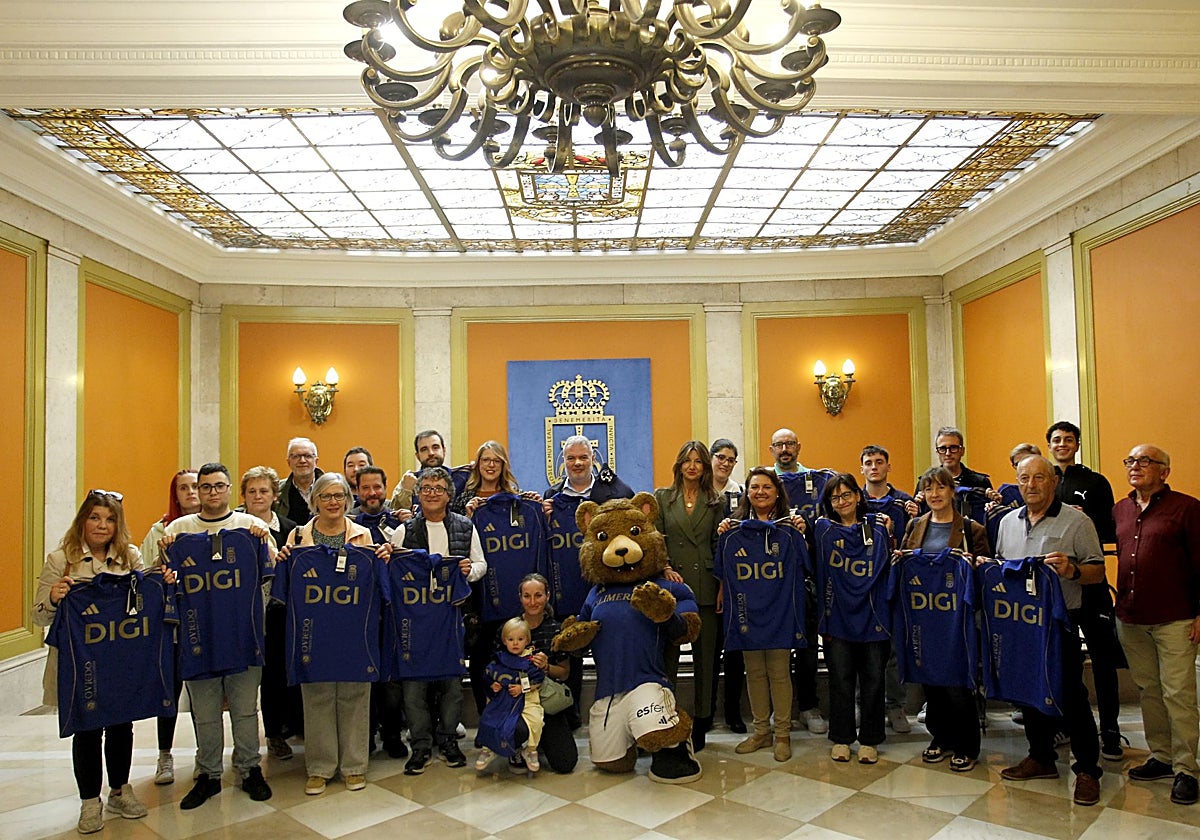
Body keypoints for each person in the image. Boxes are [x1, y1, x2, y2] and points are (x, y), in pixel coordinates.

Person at [33, 490, 150, 834]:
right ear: (82, 521)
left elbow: (143, 601)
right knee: (86, 730)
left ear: (118, 524)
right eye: (95, 518)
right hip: (79, 664)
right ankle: (89, 802)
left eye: (110, 519)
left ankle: (120, 790)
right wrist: (54, 599)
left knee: (120, 726)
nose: (102, 525)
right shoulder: (61, 560)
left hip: (119, 659)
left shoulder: (130, 557)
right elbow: (38, 616)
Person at [161, 462, 276, 810]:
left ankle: (250, 769)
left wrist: (262, 544)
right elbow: (160, 581)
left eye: (219, 485)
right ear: (197, 490)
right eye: (205, 486)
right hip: (198, 638)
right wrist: (165, 553)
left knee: (244, 710)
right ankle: (208, 775)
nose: (212, 492)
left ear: (229, 490)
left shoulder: (251, 527)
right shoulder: (177, 530)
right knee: (206, 712)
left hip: (244, 635)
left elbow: (269, 577)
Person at [993, 455, 1104, 806]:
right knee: (1028, 693)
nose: (1031, 485)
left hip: (1060, 623)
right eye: (1024, 478)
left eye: (1038, 478)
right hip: (1020, 624)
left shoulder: (1077, 521)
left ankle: (1087, 770)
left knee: (1070, 695)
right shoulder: (1008, 521)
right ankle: (1040, 757)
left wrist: (1071, 570)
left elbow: (1097, 572)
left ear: (1053, 481)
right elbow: (1000, 567)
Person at [277, 472, 390, 795]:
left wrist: (382, 557)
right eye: (325, 496)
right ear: (314, 501)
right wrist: (284, 560)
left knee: (355, 695)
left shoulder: (364, 536)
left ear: (347, 500)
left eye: (339, 496)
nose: (332, 502)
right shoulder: (298, 538)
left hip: (355, 631)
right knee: (318, 697)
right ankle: (320, 767)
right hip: (315, 633)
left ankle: (354, 766)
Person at [1113, 444, 1200, 805]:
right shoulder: (1120, 508)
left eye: (1144, 461)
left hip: (1176, 617)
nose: (1135, 466)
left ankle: (1187, 769)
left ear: (1164, 471)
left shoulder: (1187, 508)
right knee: (1149, 689)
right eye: (1130, 461)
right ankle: (1162, 756)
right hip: (1132, 617)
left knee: (1178, 692)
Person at [389, 467, 488, 775]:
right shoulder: (404, 530)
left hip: (452, 620)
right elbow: (391, 566)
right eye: (426, 487)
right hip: (415, 623)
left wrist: (468, 572)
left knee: (452, 686)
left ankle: (447, 741)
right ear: (418, 493)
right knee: (414, 689)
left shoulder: (465, 526)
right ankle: (419, 745)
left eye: (438, 488)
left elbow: (482, 563)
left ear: (449, 494)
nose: (432, 492)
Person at [900, 466, 990, 772]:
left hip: (957, 621)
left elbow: (987, 571)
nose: (934, 495)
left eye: (940, 488)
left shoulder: (971, 529)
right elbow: (905, 559)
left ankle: (967, 744)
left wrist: (973, 564)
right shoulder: (915, 525)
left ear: (952, 491)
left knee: (957, 683)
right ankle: (941, 737)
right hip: (925, 618)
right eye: (928, 489)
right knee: (932, 682)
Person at [1046, 420, 1126, 761]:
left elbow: (1110, 529)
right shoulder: (1045, 481)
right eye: (1056, 440)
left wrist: (1085, 518)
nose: (1062, 444)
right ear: (1048, 445)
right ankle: (1066, 723)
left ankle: (1110, 730)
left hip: (1090, 585)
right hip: (1056, 593)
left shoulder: (1095, 482)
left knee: (1104, 659)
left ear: (1077, 444)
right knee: (1063, 661)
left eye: (1068, 439)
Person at [717, 467, 808, 762]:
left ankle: (782, 734)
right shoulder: (733, 530)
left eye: (767, 487)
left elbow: (806, 564)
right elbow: (724, 572)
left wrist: (802, 531)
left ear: (777, 492)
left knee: (780, 672)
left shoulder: (790, 527)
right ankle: (761, 731)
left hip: (780, 612)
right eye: (754, 487)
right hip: (748, 614)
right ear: (747, 493)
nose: (760, 492)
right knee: (754, 672)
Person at [812, 474, 893, 764]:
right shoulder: (821, 530)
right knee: (841, 681)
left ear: (858, 496)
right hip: (837, 619)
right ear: (829, 503)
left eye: (847, 495)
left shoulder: (879, 528)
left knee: (873, 681)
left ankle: (870, 739)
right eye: (835, 497)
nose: (842, 501)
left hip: (874, 619)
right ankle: (842, 738)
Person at [655, 441, 722, 751]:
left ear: (705, 467)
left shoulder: (715, 501)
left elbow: (719, 546)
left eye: (698, 461)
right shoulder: (663, 498)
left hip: (706, 585)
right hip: (673, 586)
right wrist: (665, 567)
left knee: (705, 660)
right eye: (687, 460)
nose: (692, 466)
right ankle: (666, 716)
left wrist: (722, 585)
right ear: (679, 465)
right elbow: (656, 539)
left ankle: (702, 720)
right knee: (667, 657)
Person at [137, 469, 198, 785]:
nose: (191, 493)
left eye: (195, 487)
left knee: (205, 691)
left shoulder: (215, 529)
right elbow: (143, 574)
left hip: (205, 621)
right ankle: (165, 755)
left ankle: (207, 753)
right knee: (170, 690)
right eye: (184, 488)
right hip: (172, 624)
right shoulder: (159, 530)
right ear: (175, 494)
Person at [240, 466, 301, 762]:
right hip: (243, 612)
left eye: (264, 490)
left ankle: (277, 731)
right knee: (249, 678)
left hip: (278, 611)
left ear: (275, 495)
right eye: (252, 491)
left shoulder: (291, 529)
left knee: (278, 672)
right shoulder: (234, 528)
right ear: (243, 497)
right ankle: (248, 741)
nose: (258, 496)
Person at [770, 428, 826, 736]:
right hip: (772, 581)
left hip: (806, 578)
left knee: (806, 648)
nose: (785, 449)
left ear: (798, 446)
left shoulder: (819, 482)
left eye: (790, 443)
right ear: (771, 449)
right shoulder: (763, 482)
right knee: (776, 649)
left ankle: (809, 706)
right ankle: (779, 712)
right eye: (779, 444)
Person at [860, 444, 919, 735]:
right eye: (868, 462)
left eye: (879, 462)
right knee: (862, 648)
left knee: (893, 650)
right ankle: (864, 704)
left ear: (888, 467)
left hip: (893, 586)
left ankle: (895, 705)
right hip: (860, 587)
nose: (874, 467)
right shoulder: (852, 501)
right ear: (862, 468)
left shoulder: (904, 504)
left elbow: (913, 544)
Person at [501, 574, 578, 773]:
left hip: (545, 700)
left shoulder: (555, 630)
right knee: (516, 733)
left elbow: (564, 673)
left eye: (538, 595)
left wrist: (546, 667)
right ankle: (518, 744)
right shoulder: (509, 628)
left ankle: (539, 740)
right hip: (516, 702)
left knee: (565, 763)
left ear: (548, 596)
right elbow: (495, 669)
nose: (533, 602)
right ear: (520, 598)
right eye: (527, 596)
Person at [476, 618, 546, 773]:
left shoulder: (530, 661)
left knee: (536, 720)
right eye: (511, 639)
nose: (515, 643)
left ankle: (530, 750)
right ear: (504, 640)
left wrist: (523, 688)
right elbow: (487, 676)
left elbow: (539, 680)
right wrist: (492, 685)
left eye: (520, 639)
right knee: (489, 719)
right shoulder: (498, 660)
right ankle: (488, 749)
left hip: (527, 700)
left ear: (527, 640)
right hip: (502, 701)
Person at [710, 438, 746, 734]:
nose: (725, 463)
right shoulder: (697, 493)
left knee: (735, 654)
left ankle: (734, 712)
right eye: (720, 457)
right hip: (706, 582)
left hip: (737, 586)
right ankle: (705, 712)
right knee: (709, 653)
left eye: (731, 459)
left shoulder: (742, 494)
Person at [453, 440, 539, 515]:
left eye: (497, 461)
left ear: (503, 465)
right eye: (486, 460)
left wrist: (537, 505)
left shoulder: (517, 497)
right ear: (478, 463)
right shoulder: (464, 499)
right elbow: (454, 531)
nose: (491, 465)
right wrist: (468, 516)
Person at [389, 429, 447, 515]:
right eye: (424, 449)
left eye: (435, 447)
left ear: (444, 450)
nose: (431, 453)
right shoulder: (408, 481)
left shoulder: (460, 477)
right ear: (417, 456)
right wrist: (406, 491)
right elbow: (395, 514)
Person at [277, 437, 322, 522]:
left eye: (308, 456)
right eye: (296, 456)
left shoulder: (331, 487)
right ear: (288, 462)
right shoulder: (278, 490)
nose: (302, 460)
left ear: (316, 461)